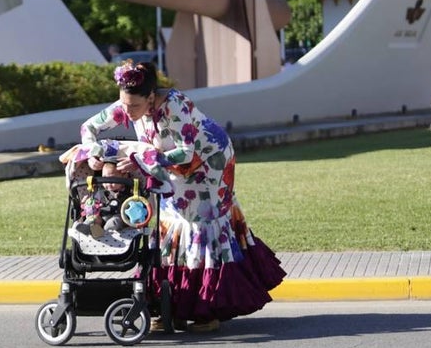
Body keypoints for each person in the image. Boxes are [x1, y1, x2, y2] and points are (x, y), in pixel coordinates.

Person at [67, 59, 285, 333]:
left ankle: (206, 311)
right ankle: (174, 308)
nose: (128, 111)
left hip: (208, 165)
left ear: (151, 97)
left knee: (197, 226)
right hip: (168, 166)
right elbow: (89, 128)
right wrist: (95, 152)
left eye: (135, 106)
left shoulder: (175, 106)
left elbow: (186, 152)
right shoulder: (128, 105)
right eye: (124, 104)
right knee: (171, 226)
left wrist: (140, 158)